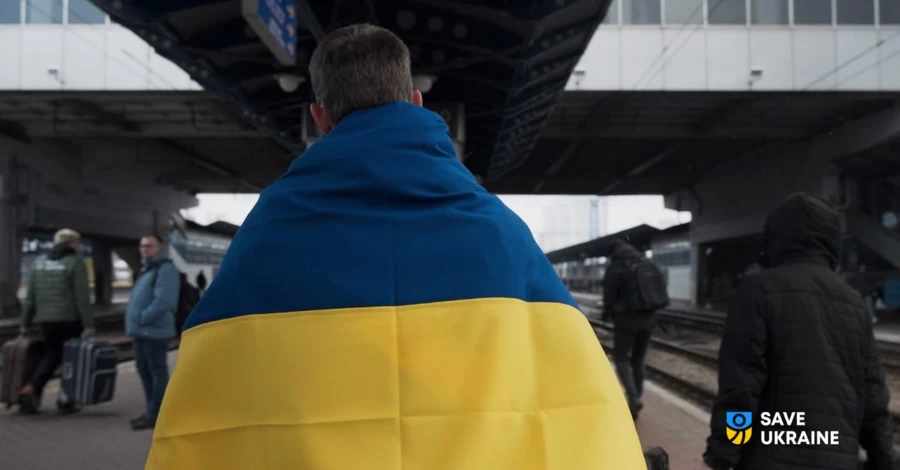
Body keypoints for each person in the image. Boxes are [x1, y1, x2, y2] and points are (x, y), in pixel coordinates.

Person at [145, 24, 645, 469]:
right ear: (416, 101)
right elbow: (568, 389)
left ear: (320, 116)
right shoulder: (499, 231)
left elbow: (217, 392)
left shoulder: (267, 232)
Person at [702, 193, 894, 470]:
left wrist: (723, 455)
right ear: (832, 242)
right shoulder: (855, 304)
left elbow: (740, 390)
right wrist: (883, 460)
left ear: (776, 239)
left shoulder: (758, 290)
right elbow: (874, 400)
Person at [18, 228, 95, 414]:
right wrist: (89, 324)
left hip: (46, 321)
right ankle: (62, 399)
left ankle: (34, 390)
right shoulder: (75, 263)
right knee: (70, 360)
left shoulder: (39, 263)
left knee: (52, 354)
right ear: (72, 243)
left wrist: (25, 323)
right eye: (77, 243)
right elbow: (82, 298)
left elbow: (30, 298)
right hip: (70, 320)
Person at [602, 239, 663, 419]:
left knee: (621, 358)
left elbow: (609, 296)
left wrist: (609, 313)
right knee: (639, 358)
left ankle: (634, 397)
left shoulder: (615, 267)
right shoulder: (646, 262)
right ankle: (638, 393)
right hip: (648, 318)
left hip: (626, 320)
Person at [125, 234, 180, 431]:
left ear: (160, 247)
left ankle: (157, 414)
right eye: (142, 246)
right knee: (144, 371)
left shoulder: (165, 269)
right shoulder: (147, 269)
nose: (144, 250)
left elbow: (164, 301)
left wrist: (142, 317)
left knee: (157, 372)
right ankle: (152, 410)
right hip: (141, 331)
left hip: (154, 331)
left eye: (149, 246)